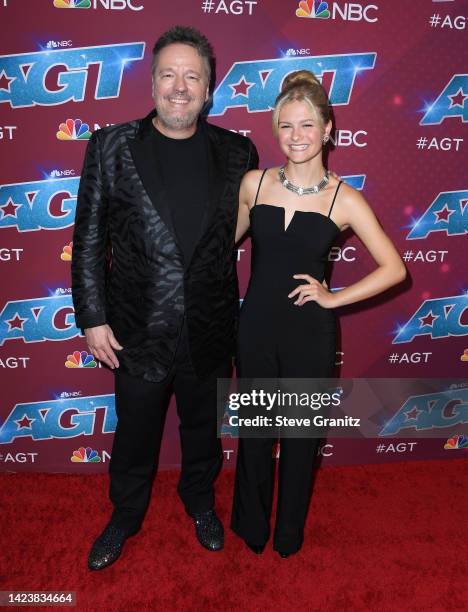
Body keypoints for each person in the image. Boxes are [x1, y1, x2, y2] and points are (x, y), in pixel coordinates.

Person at [71, 25, 258, 570]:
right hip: (135, 328)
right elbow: (87, 241)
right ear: (152, 83)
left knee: (203, 431)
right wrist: (92, 318)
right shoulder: (110, 146)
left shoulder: (237, 151)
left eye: (192, 76)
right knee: (135, 434)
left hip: (209, 324)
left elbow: (244, 229)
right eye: (169, 74)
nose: (180, 86)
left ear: (209, 88)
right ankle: (125, 515)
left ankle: (200, 503)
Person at [230, 70, 406, 558]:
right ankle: (251, 527)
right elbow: (224, 243)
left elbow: (394, 268)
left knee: (302, 439)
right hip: (256, 328)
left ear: (328, 128)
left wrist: (333, 297)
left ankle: (288, 534)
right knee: (256, 433)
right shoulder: (254, 183)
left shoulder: (344, 197)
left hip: (310, 333)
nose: (296, 136)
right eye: (286, 126)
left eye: (307, 125)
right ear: (274, 130)